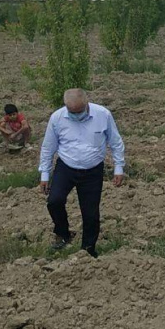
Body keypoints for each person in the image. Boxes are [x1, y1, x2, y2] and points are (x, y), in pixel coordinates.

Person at [38, 89, 125, 257]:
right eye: (72, 112)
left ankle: (88, 250)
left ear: (87, 104)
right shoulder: (57, 118)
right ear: (66, 107)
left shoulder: (103, 115)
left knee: (91, 213)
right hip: (66, 167)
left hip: (93, 170)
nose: (76, 115)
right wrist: (45, 174)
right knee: (54, 201)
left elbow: (115, 141)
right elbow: (48, 147)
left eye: (79, 111)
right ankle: (63, 233)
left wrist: (119, 167)